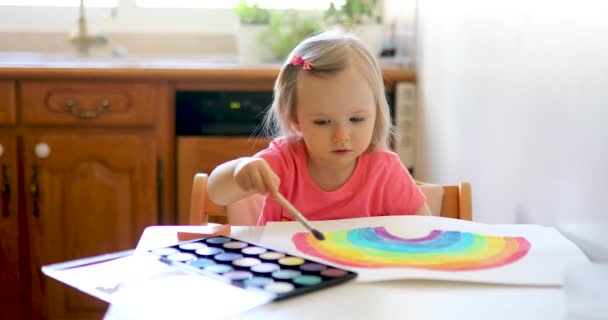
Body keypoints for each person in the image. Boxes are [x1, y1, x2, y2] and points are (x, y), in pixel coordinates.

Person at [208, 31, 430, 225]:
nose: (341, 137)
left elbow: (427, 231)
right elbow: (217, 192)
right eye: (322, 122)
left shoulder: (385, 171)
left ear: (377, 112)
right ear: (295, 118)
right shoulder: (284, 162)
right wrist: (239, 171)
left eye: (356, 119)